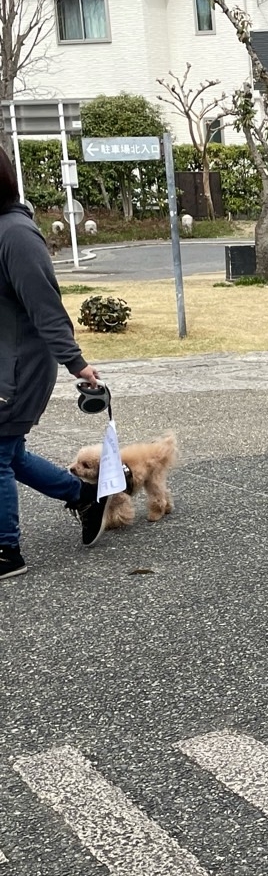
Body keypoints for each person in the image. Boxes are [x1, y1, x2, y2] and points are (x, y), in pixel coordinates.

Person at [0, 145, 110, 578]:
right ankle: (84, 496)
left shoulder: (16, 235)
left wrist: (76, 363)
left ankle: (7, 552)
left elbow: (46, 306)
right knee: (10, 453)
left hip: (17, 369)